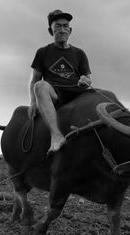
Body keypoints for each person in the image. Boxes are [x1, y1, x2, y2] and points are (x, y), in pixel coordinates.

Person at [28, 10, 92, 153]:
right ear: (50, 30)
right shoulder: (42, 52)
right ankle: (56, 136)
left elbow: (88, 78)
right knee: (40, 86)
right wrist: (33, 102)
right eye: (57, 26)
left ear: (70, 30)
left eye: (65, 26)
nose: (62, 30)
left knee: (106, 96)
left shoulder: (79, 53)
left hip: (78, 92)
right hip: (56, 94)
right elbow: (34, 80)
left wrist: (85, 80)